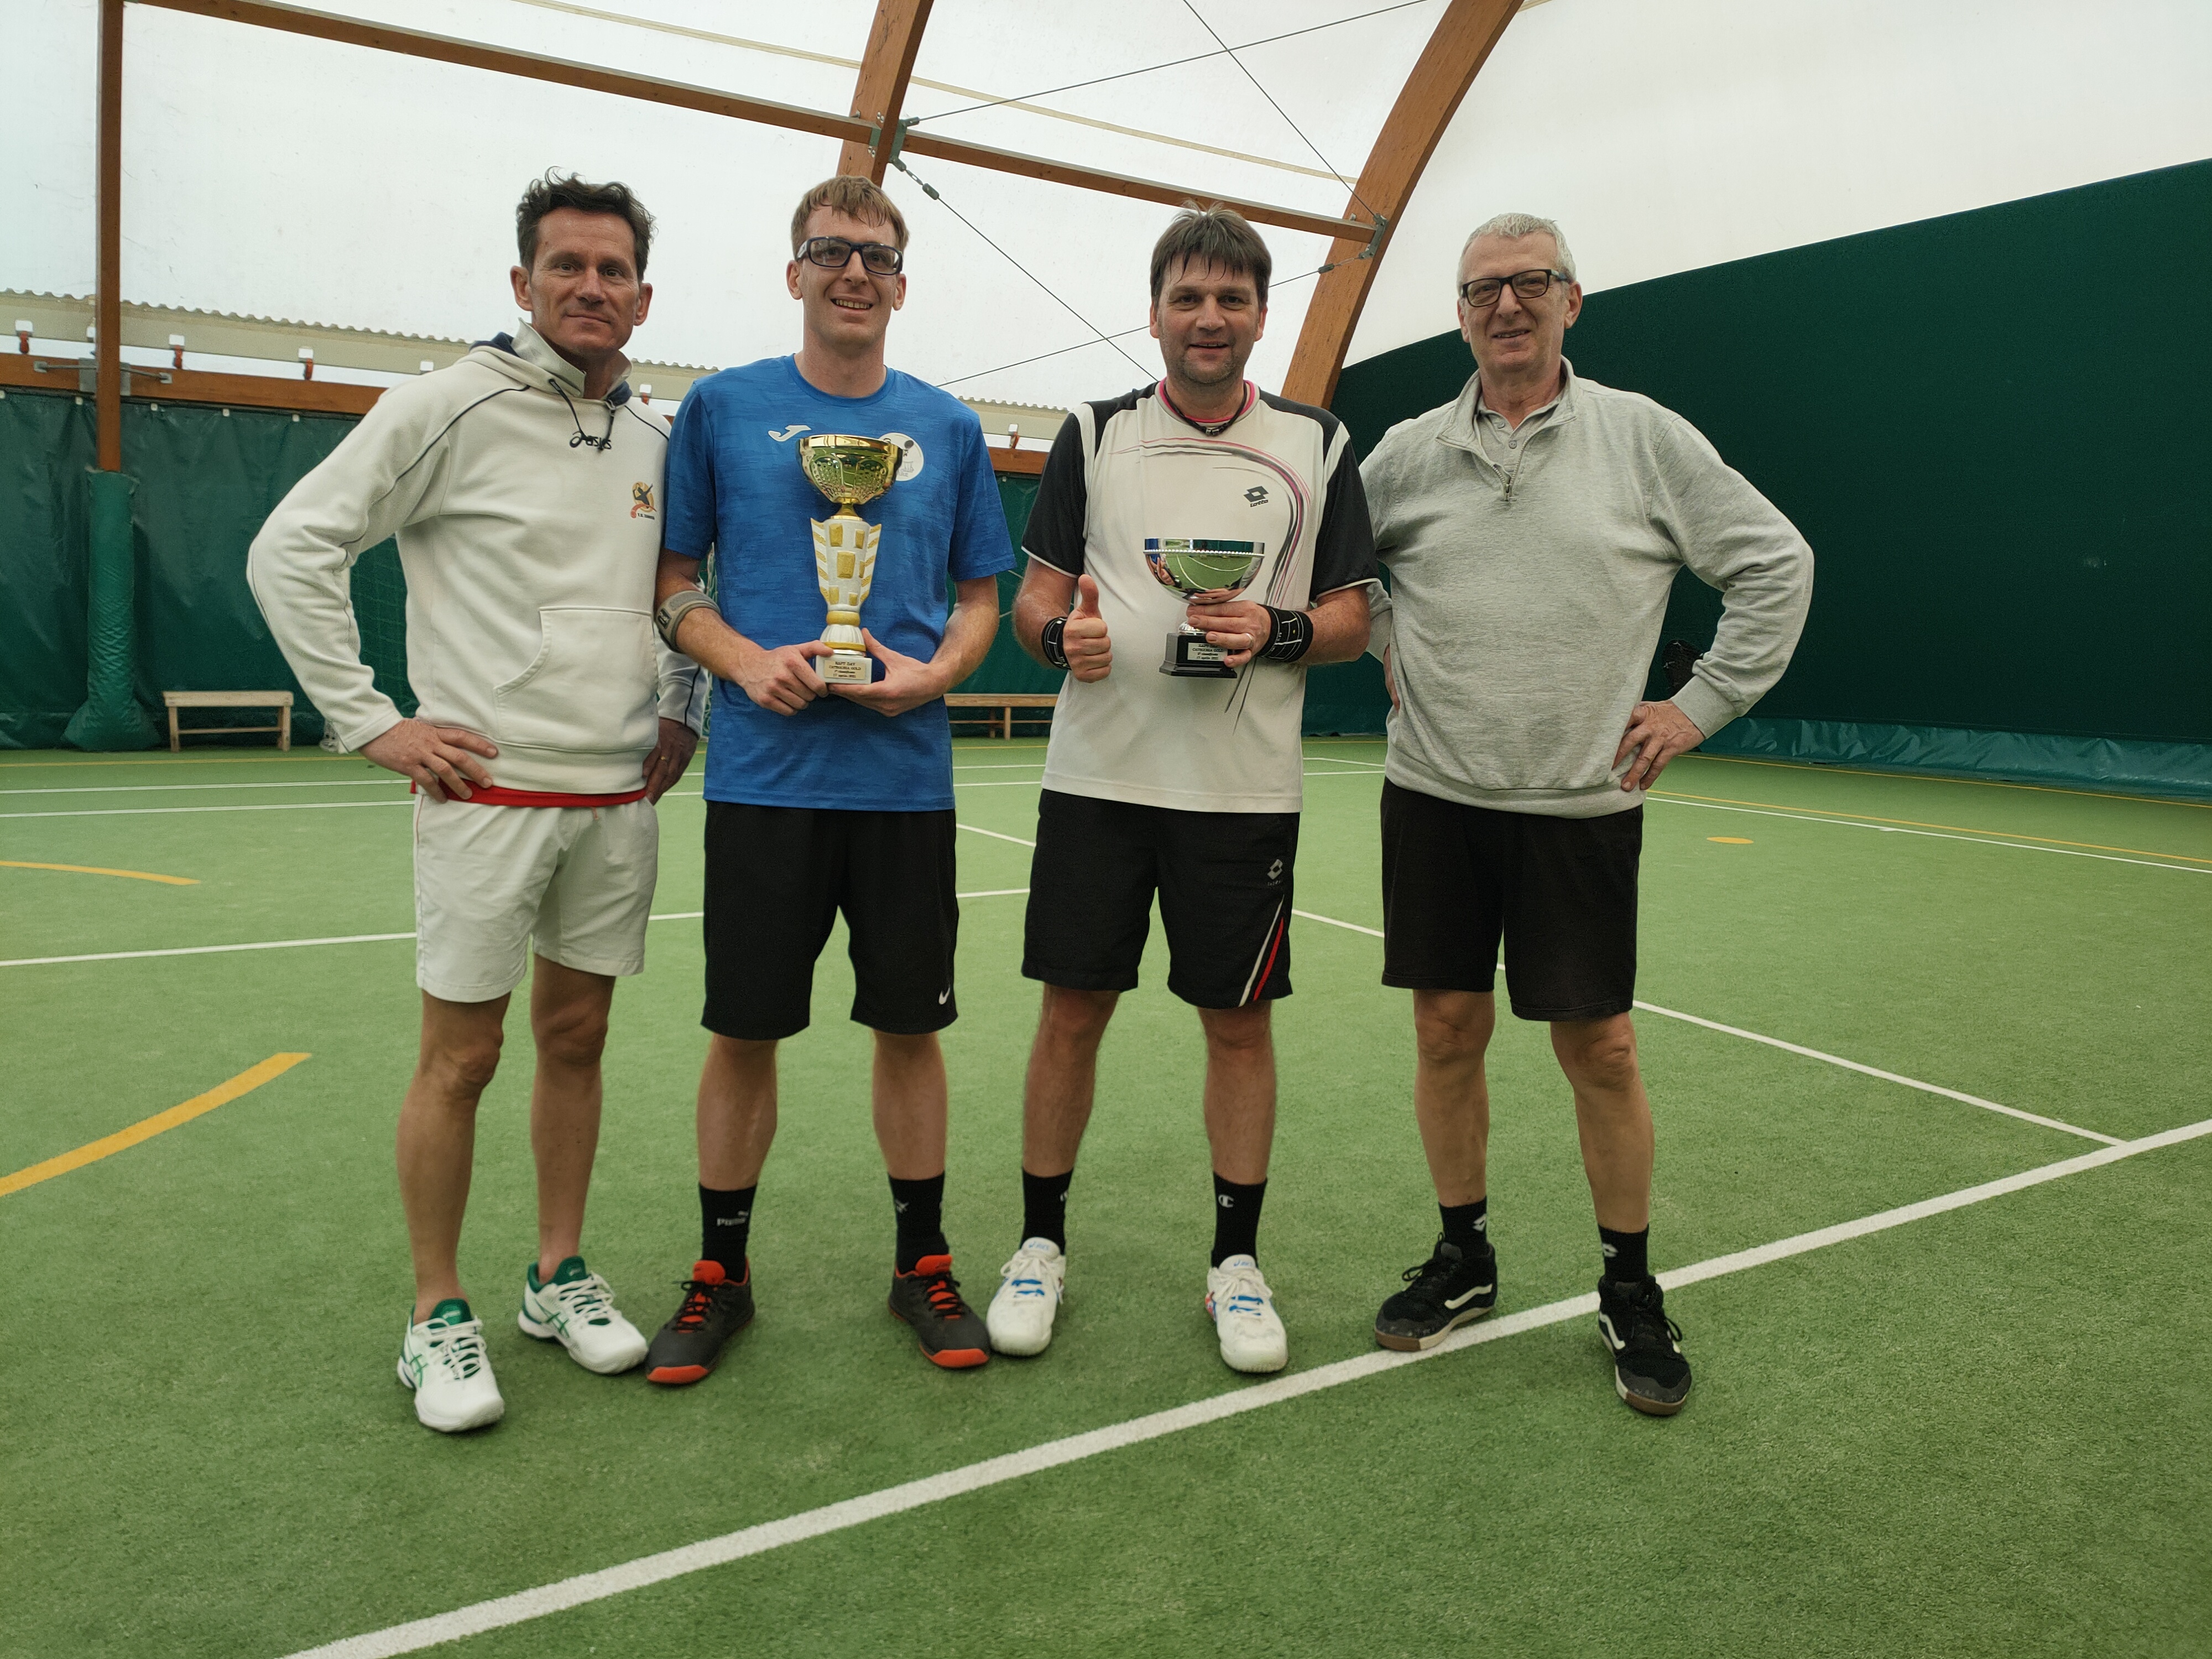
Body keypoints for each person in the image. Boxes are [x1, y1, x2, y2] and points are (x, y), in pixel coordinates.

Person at [249, 172, 706, 1433]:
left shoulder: (661, 440)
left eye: (613, 270)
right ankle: (434, 1313)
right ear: (522, 284)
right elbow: (290, 546)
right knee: (461, 1058)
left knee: (576, 1042)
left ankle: (555, 1276)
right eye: (567, 266)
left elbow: (676, 591)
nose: (591, 288)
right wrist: (370, 720)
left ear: (642, 296)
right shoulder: (444, 406)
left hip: (618, 804)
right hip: (483, 795)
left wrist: (683, 710)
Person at [1360, 212, 1813, 1414]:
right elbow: (1338, 571)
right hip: (1434, 799)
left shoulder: (1643, 439)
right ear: (1457, 315)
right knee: (1445, 1033)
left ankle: (1626, 1284)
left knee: (1597, 1049)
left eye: (1529, 284)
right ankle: (1464, 1256)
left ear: (1572, 299)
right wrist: (1391, 646)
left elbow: (1775, 563)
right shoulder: (1404, 453)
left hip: (1579, 807)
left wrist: (1695, 706)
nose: (1504, 306)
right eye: (1479, 291)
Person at [986, 206, 1378, 1374]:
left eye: (1231, 298)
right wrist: (1062, 642)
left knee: (1237, 1023)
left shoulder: (1317, 443)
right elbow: (1034, 601)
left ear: (1261, 314)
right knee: (1070, 1014)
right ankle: (1038, 1245)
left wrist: (1280, 627)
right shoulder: (1094, 434)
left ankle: (1234, 1265)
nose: (1208, 319)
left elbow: (1354, 617)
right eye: (1186, 297)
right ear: (1153, 311)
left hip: (1241, 793)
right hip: (1097, 781)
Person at [643, 176, 1014, 1381]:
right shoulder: (719, 409)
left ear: (901, 283)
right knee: (743, 1030)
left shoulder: (947, 429)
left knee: (909, 1027)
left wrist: (935, 678)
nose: (853, 272)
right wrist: (748, 663)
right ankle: (720, 1273)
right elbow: (673, 587)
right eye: (830, 252)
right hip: (763, 781)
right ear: (793, 272)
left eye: (875, 255)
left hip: (903, 787)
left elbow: (977, 601)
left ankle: (922, 1263)